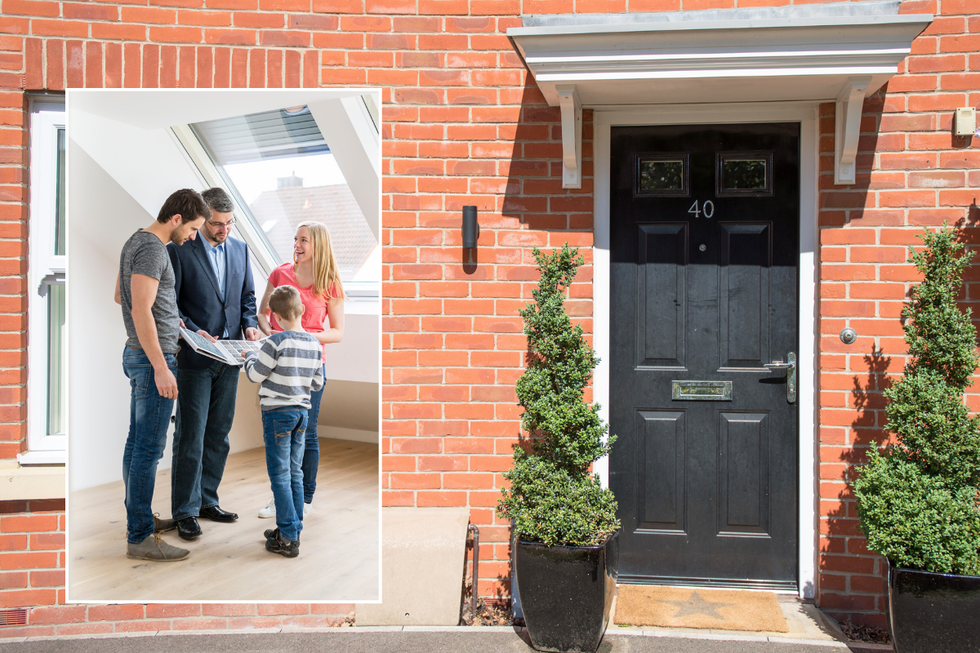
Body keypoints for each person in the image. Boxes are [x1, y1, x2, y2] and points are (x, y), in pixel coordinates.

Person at [114, 188, 210, 562]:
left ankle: (139, 520)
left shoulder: (134, 241)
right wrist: (159, 366)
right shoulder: (155, 249)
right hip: (152, 360)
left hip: (142, 353)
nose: (192, 236)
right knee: (148, 451)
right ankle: (139, 536)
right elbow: (139, 309)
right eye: (192, 228)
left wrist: (181, 325)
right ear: (176, 219)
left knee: (136, 445)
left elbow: (122, 296)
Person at [167, 188, 259, 541]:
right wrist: (193, 330)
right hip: (194, 357)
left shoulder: (240, 249)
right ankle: (185, 511)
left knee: (218, 435)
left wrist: (249, 323)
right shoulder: (179, 250)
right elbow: (170, 305)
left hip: (231, 358)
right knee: (190, 436)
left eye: (229, 223)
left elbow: (247, 296)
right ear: (203, 219)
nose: (224, 230)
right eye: (217, 224)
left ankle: (207, 501)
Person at [256, 221, 346, 519]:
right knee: (279, 435)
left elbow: (337, 332)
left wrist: (301, 338)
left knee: (306, 433)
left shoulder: (330, 281)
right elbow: (262, 313)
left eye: (304, 240)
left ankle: (304, 498)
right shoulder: (280, 273)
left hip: (310, 366)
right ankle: (280, 498)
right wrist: (274, 337)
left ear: (318, 244)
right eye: (295, 238)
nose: (297, 244)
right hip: (280, 364)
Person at [241, 285, 325, 557]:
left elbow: (255, 375)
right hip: (302, 414)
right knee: (295, 473)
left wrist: (249, 357)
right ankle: (293, 528)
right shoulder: (314, 344)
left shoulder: (273, 343)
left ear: (275, 317)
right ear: (301, 310)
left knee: (279, 475)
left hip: (277, 414)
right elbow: (316, 382)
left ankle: (288, 537)